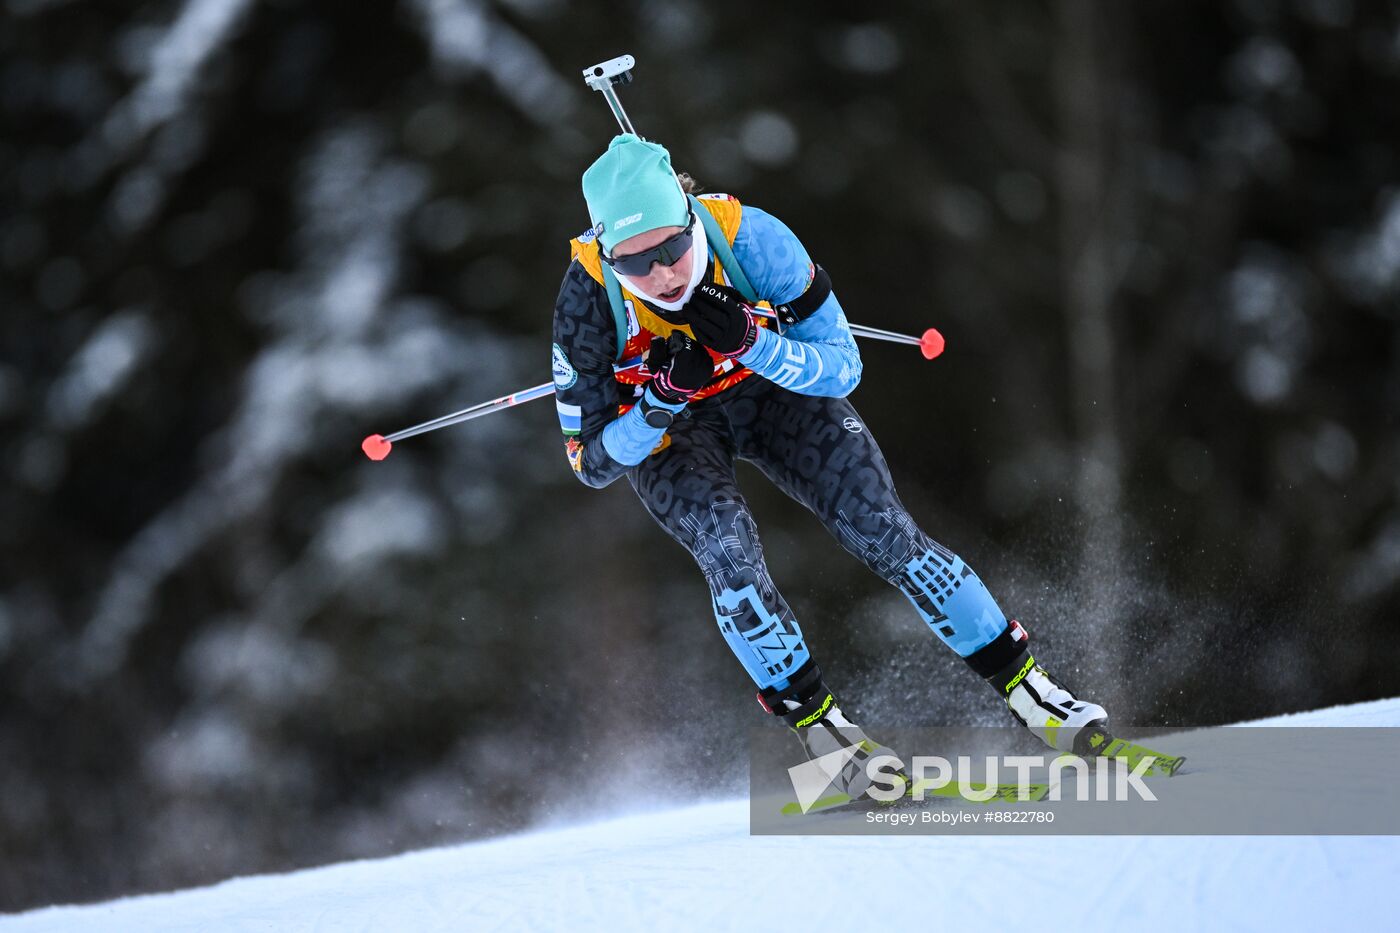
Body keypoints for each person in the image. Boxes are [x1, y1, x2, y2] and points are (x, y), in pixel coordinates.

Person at [552, 133, 1107, 796]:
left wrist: (752, 343)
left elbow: (844, 364)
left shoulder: (753, 240)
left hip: (775, 392)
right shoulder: (586, 301)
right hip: (676, 429)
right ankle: (826, 736)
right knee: (728, 551)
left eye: (672, 248)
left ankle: (1031, 692)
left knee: (883, 529)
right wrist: (660, 401)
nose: (663, 275)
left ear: (692, 218)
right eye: (636, 264)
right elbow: (591, 462)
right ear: (607, 255)